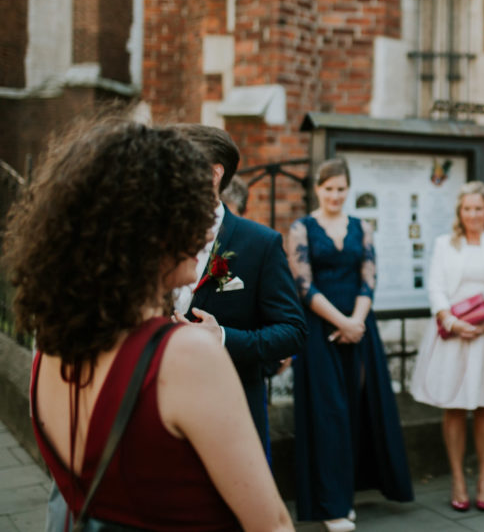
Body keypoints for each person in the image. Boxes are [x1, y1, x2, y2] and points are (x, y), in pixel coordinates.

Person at [4, 116, 293, 530]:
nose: (202, 232)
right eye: (189, 217)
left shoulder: (51, 345)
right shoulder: (185, 355)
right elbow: (273, 525)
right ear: (149, 231)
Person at [287, 158, 413, 531]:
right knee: (328, 413)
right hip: (321, 328)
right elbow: (303, 284)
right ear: (317, 189)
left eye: (341, 188)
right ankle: (332, 505)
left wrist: (356, 322)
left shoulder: (362, 227)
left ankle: (353, 491)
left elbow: (369, 277)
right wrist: (340, 322)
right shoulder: (301, 228)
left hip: (360, 327)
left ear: (348, 188)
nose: (336, 195)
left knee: (360, 409)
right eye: (329, 189)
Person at [171, 124, 307, 457]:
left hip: (230, 408)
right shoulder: (156, 233)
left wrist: (223, 338)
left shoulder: (260, 243)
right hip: (164, 402)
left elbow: (292, 331)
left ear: (215, 173)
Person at [409, 181, 484, 512]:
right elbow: (436, 288)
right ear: (459, 213)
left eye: (478, 208)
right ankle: (458, 479)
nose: (472, 214)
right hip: (453, 334)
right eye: (466, 208)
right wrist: (452, 321)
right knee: (455, 406)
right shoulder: (445, 244)